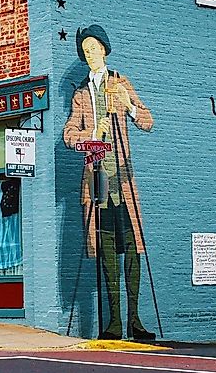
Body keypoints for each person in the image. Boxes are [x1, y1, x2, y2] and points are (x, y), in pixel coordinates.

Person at [62, 24, 156, 341]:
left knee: (132, 249)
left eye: (94, 48)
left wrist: (128, 105)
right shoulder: (80, 95)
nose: (90, 54)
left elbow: (147, 121)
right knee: (107, 251)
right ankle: (114, 321)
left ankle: (135, 321)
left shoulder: (119, 82)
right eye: (85, 51)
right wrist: (93, 136)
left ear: (104, 49)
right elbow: (69, 136)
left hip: (123, 182)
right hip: (98, 182)